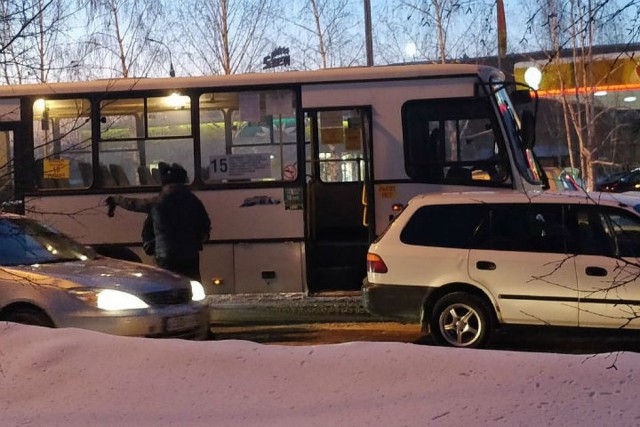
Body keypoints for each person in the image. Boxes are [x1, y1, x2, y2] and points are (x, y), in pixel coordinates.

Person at [106, 162, 211, 281]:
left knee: (167, 286)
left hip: (165, 256)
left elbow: (133, 204)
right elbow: (204, 225)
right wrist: (198, 241)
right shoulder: (194, 201)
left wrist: (116, 199)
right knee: (191, 286)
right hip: (189, 254)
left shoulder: (157, 202)